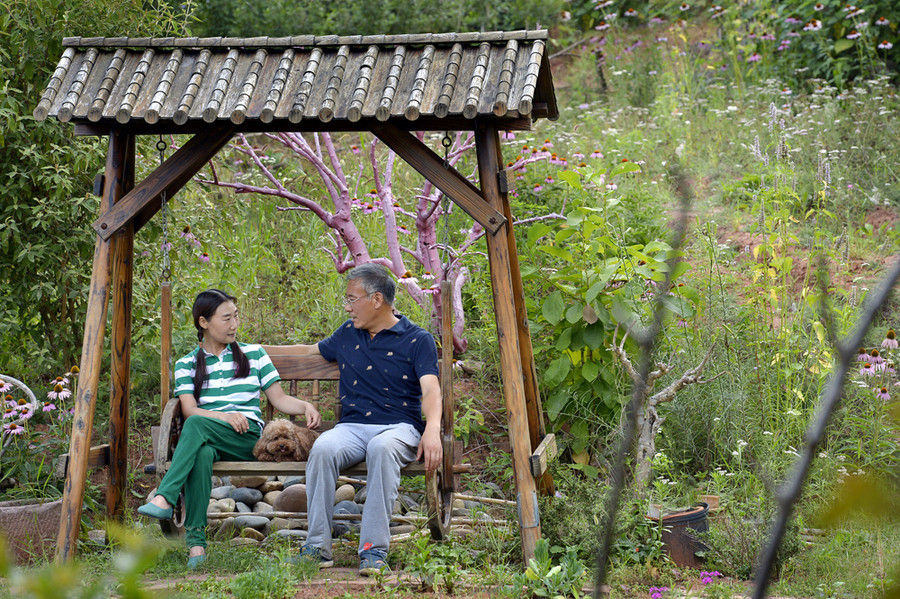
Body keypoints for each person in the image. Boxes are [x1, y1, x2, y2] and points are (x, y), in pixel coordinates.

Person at [137, 289, 321, 568]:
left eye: (236, 316)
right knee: (201, 453)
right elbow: (188, 409)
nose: (234, 324)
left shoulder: (254, 354)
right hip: (211, 434)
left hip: (248, 440)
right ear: (204, 322)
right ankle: (197, 547)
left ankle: (165, 495)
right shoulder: (187, 363)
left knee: (197, 425)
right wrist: (224, 417)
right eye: (226, 318)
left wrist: (305, 406)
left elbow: (278, 399)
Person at [288, 263, 442, 576]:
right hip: (352, 428)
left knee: (382, 449)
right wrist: (247, 353)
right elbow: (306, 351)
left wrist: (434, 430)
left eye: (351, 299)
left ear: (376, 300)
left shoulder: (417, 339)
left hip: (399, 428)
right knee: (323, 448)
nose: (347, 307)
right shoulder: (347, 334)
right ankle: (317, 547)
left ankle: (373, 550)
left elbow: (430, 389)